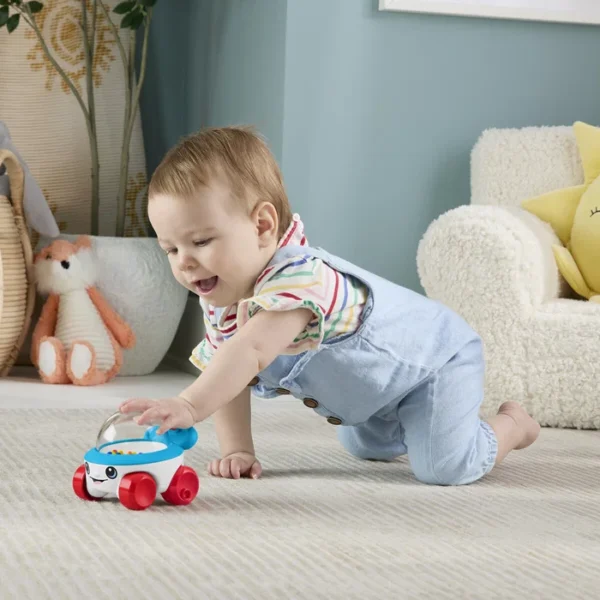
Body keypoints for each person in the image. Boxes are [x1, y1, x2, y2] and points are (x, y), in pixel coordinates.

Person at [119, 126, 540, 485]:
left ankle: (512, 425)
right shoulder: (224, 299)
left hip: (438, 359)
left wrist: (190, 405)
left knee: (444, 467)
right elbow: (227, 370)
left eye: (200, 241)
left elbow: (249, 351)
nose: (184, 262)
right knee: (364, 445)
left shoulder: (301, 279)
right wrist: (238, 450)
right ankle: (418, 421)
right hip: (378, 391)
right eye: (170, 249)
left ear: (262, 226)